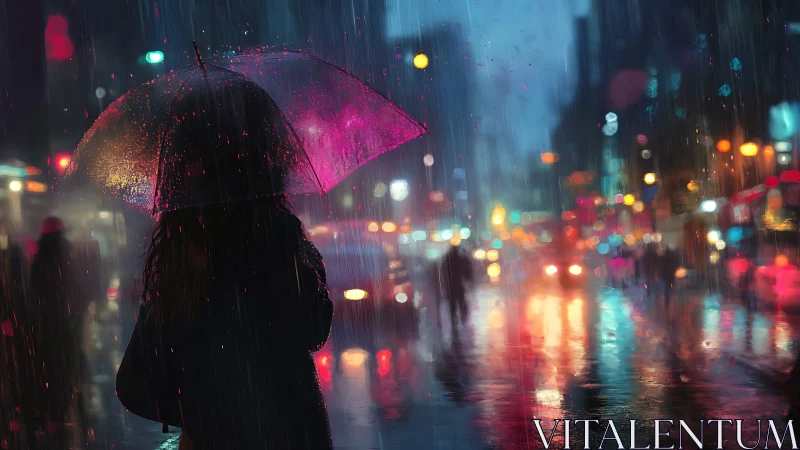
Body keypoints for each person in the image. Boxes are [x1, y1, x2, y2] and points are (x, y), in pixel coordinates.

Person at [116, 81, 334, 449]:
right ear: (264, 158)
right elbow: (314, 327)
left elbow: (137, 384)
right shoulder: (277, 237)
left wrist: (202, 414)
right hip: (291, 433)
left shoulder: (181, 251)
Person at [27, 217, 88, 448]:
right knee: (67, 366)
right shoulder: (64, 257)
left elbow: (35, 295)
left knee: (51, 369)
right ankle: (63, 409)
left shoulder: (40, 259)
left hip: (48, 326)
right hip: (63, 324)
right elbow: (74, 290)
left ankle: (52, 414)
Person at [441, 246, 473, 332]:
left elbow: (443, 272)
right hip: (457, 285)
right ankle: (462, 319)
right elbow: (466, 271)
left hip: (451, 286)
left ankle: (455, 320)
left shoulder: (447, 260)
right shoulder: (458, 259)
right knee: (460, 302)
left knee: (454, 304)